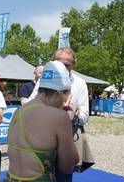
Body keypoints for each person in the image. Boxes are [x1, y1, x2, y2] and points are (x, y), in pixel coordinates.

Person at [7, 61, 79, 181]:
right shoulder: (59, 116)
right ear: (60, 92)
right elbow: (68, 165)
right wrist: (69, 117)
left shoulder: (19, 111)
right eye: (66, 96)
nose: (63, 103)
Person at [29, 47, 92, 182]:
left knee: (63, 178)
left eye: (67, 65)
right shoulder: (43, 79)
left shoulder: (79, 83)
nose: (62, 67)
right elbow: (30, 104)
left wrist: (70, 113)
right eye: (59, 63)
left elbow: (85, 117)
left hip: (64, 143)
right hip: (40, 141)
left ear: (73, 65)